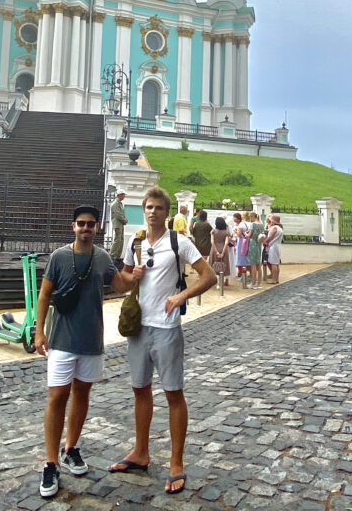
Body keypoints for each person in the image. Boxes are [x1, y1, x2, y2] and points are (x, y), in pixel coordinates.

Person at [110, 186, 216, 495]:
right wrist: (132, 276)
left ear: (166, 212)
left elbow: (208, 276)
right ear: (142, 210)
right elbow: (121, 283)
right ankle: (140, 452)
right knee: (140, 390)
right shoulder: (136, 241)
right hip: (139, 326)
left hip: (167, 328)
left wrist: (181, 295)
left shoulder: (179, 242)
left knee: (173, 394)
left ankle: (176, 462)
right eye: (148, 207)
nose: (152, 211)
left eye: (158, 207)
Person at [34, 205, 140, 498]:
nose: (85, 228)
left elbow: (120, 284)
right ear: (73, 227)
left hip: (91, 340)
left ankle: (71, 448)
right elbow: (44, 294)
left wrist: (137, 273)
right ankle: (51, 462)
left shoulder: (103, 257)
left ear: (96, 228)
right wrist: (39, 330)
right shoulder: (59, 256)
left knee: (82, 394)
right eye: (81, 224)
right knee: (57, 396)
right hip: (61, 341)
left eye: (90, 224)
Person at [262, 214, 284, 285]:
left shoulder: (274, 228)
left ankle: (274, 280)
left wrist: (265, 241)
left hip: (272, 246)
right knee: (276, 263)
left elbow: (270, 237)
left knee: (273, 263)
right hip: (277, 246)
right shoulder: (280, 228)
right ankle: (276, 279)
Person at [210, 216, 231, 285]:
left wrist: (216, 252)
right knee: (224, 264)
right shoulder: (226, 232)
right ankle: (225, 281)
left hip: (214, 248)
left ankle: (214, 281)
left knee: (213, 264)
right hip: (223, 248)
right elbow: (226, 242)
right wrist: (222, 252)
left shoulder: (213, 231)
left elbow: (212, 242)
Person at [110, 189, 127, 265]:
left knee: (121, 239)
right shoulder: (115, 204)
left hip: (120, 224)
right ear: (119, 195)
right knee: (117, 239)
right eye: (123, 194)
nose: (124, 196)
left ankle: (117, 255)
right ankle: (113, 255)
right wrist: (124, 220)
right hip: (117, 224)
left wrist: (124, 220)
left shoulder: (120, 204)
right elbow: (118, 215)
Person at [247, 212, 263, 290]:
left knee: (253, 264)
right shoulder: (261, 224)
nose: (250, 219)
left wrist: (246, 234)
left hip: (253, 243)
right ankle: (259, 283)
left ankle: (253, 283)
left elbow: (249, 235)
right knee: (258, 264)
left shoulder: (253, 224)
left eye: (250, 217)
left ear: (253, 217)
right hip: (259, 244)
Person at [233, 212, 249, 283]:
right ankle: (244, 274)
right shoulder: (245, 224)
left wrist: (236, 231)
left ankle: (243, 275)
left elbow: (239, 234)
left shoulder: (241, 225)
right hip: (245, 242)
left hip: (241, 243)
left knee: (241, 258)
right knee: (244, 257)